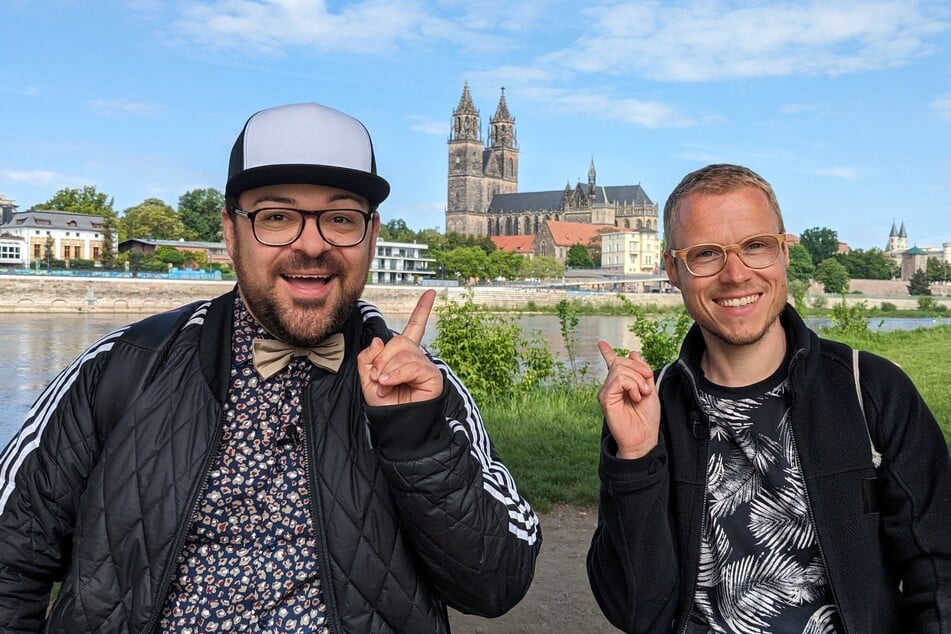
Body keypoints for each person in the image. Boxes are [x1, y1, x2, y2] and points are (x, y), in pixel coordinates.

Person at [0, 102, 541, 632]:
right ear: (230, 233)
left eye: (340, 218)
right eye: (276, 217)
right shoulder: (120, 367)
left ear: (371, 236)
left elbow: (497, 585)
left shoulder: (427, 387)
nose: (312, 244)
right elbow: (9, 558)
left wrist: (418, 442)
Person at [587, 163, 951, 633]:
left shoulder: (872, 391)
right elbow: (634, 610)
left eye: (755, 246)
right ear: (673, 270)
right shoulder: (647, 407)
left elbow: (940, 577)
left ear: (785, 253)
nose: (735, 275)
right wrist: (634, 459)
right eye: (706, 255)